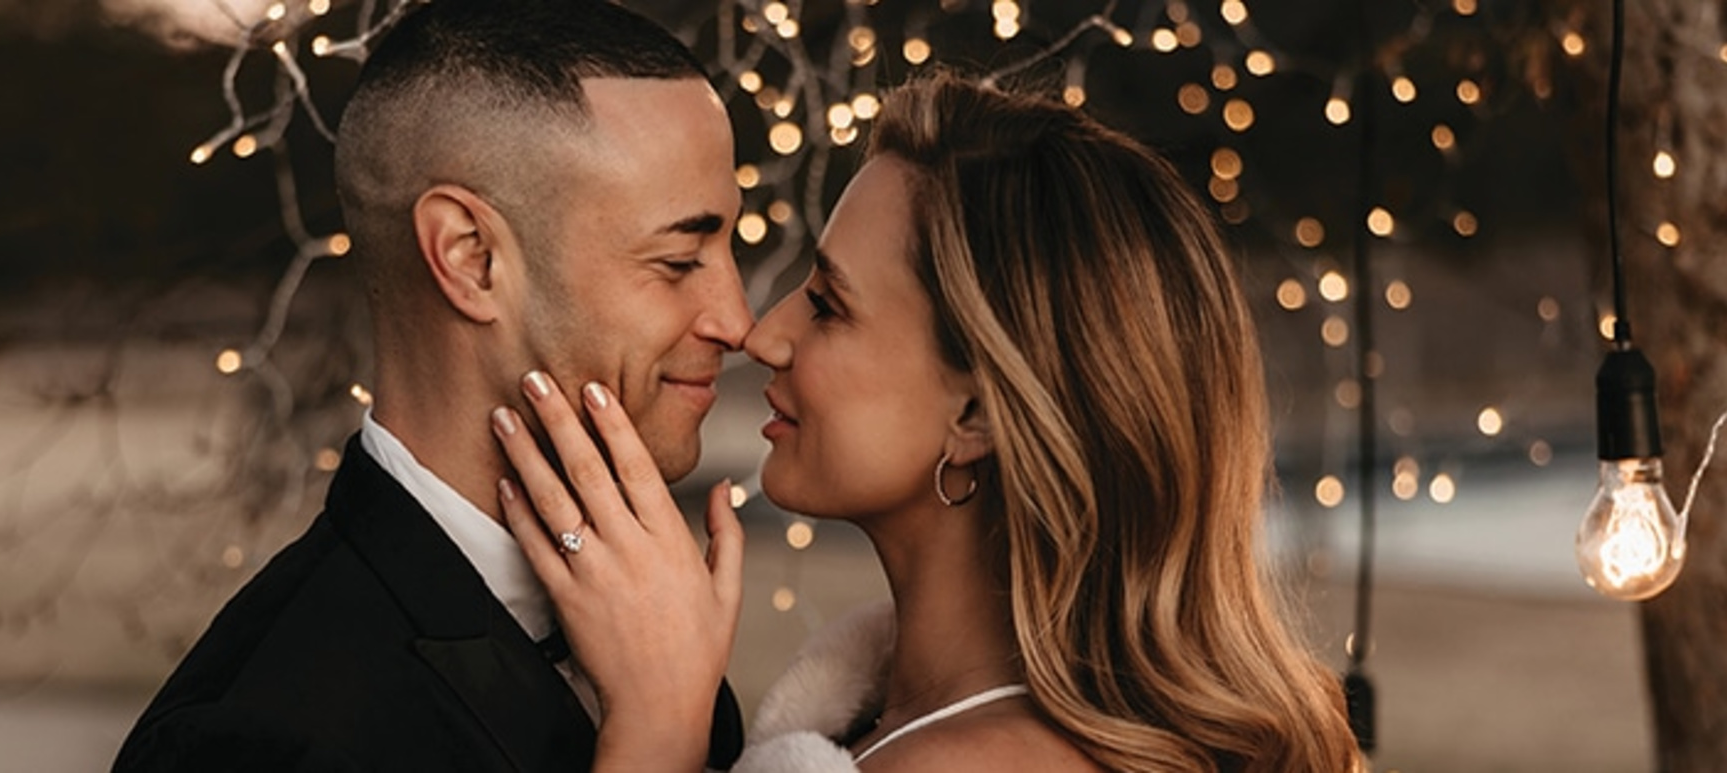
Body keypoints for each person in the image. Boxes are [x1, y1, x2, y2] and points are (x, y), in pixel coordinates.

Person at [492, 71, 1364, 772]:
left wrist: (657, 729)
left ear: (978, 410)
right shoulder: (893, 716)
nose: (765, 334)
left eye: (829, 305)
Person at [113, 0, 752, 769]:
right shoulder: (258, 733)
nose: (736, 320)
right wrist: (656, 740)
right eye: (679, 262)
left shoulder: (658, 618)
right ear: (470, 257)